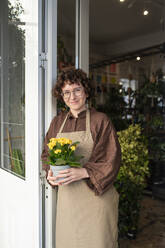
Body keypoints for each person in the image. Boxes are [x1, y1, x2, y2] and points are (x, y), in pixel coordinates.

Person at [41, 68, 121, 248]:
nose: (72, 96)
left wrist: (84, 171)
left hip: (96, 198)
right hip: (68, 201)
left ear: (86, 91)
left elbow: (112, 157)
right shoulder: (57, 122)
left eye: (77, 90)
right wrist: (50, 173)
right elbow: (47, 154)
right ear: (61, 96)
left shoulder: (100, 120)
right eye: (66, 92)